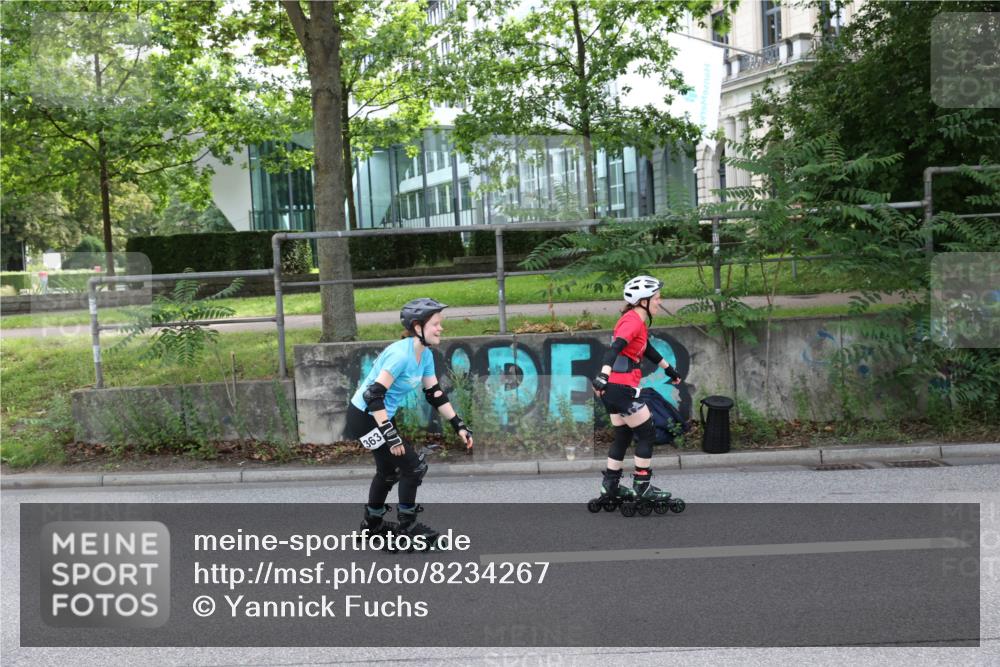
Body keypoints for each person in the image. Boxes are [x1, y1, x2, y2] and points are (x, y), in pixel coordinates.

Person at [346, 297, 474, 545]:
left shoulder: (424, 355)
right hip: (364, 417)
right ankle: (408, 526)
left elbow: (434, 393)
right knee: (412, 467)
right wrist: (391, 435)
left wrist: (459, 424)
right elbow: (373, 395)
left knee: (388, 471)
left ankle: (371, 525)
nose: (441, 328)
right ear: (418, 327)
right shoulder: (400, 355)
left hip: (379, 416)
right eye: (436, 324)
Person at [591, 275, 682, 510]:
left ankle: (610, 486)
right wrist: (602, 374)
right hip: (621, 388)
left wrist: (670, 370)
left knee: (623, 436)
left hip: (613, 389)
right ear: (643, 301)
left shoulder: (634, 320)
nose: (660, 302)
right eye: (657, 298)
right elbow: (615, 348)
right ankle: (642, 486)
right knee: (647, 432)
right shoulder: (632, 322)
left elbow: (647, 349)